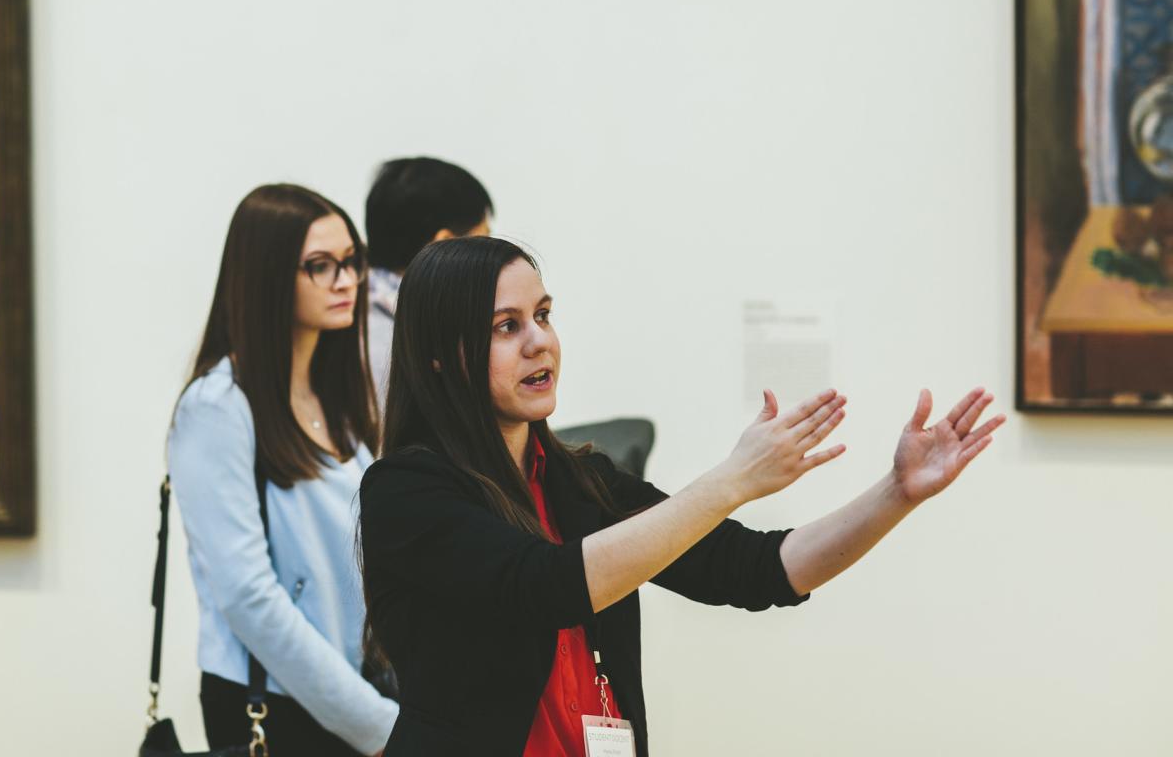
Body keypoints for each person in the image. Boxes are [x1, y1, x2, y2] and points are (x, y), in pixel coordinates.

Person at [358, 237, 1005, 756]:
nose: (539, 341)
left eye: (544, 315)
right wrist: (731, 482)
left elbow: (763, 571)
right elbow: (546, 586)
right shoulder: (407, 491)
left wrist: (897, 493)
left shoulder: (581, 479)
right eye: (506, 326)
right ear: (444, 356)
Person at [168, 184, 397, 756]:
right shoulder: (218, 406)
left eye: (351, 261)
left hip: (353, 693)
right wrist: (375, 723)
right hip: (277, 705)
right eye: (320, 266)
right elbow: (248, 596)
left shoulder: (336, 400)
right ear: (268, 276)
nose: (346, 280)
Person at [364, 157, 494, 404]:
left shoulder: (369, 315)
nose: (488, 256)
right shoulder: (390, 342)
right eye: (483, 239)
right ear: (444, 243)